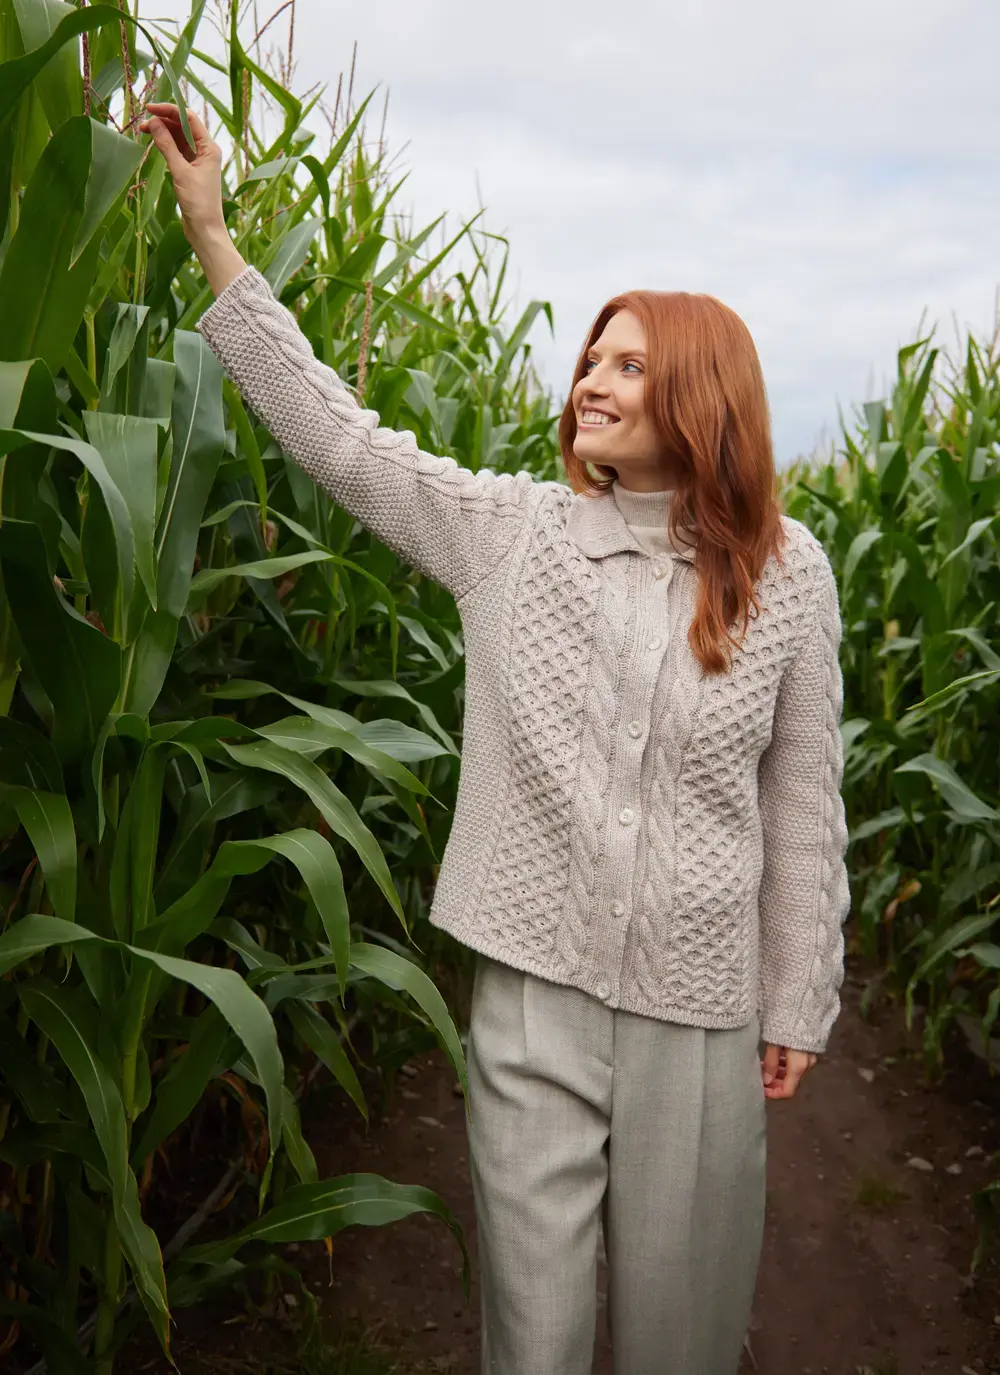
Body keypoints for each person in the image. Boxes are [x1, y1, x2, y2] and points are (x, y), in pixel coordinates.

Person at [140, 103, 851, 1375]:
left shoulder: (788, 574)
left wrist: (798, 990)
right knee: (534, 1342)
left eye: (629, 365)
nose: (590, 381)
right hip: (531, 997)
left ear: (702, 395)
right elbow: (344, 442)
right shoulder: (509, 535)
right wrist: (212, 235)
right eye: (590, 360)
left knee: (681, 1343)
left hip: (698, 1011)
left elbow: (802, 797)